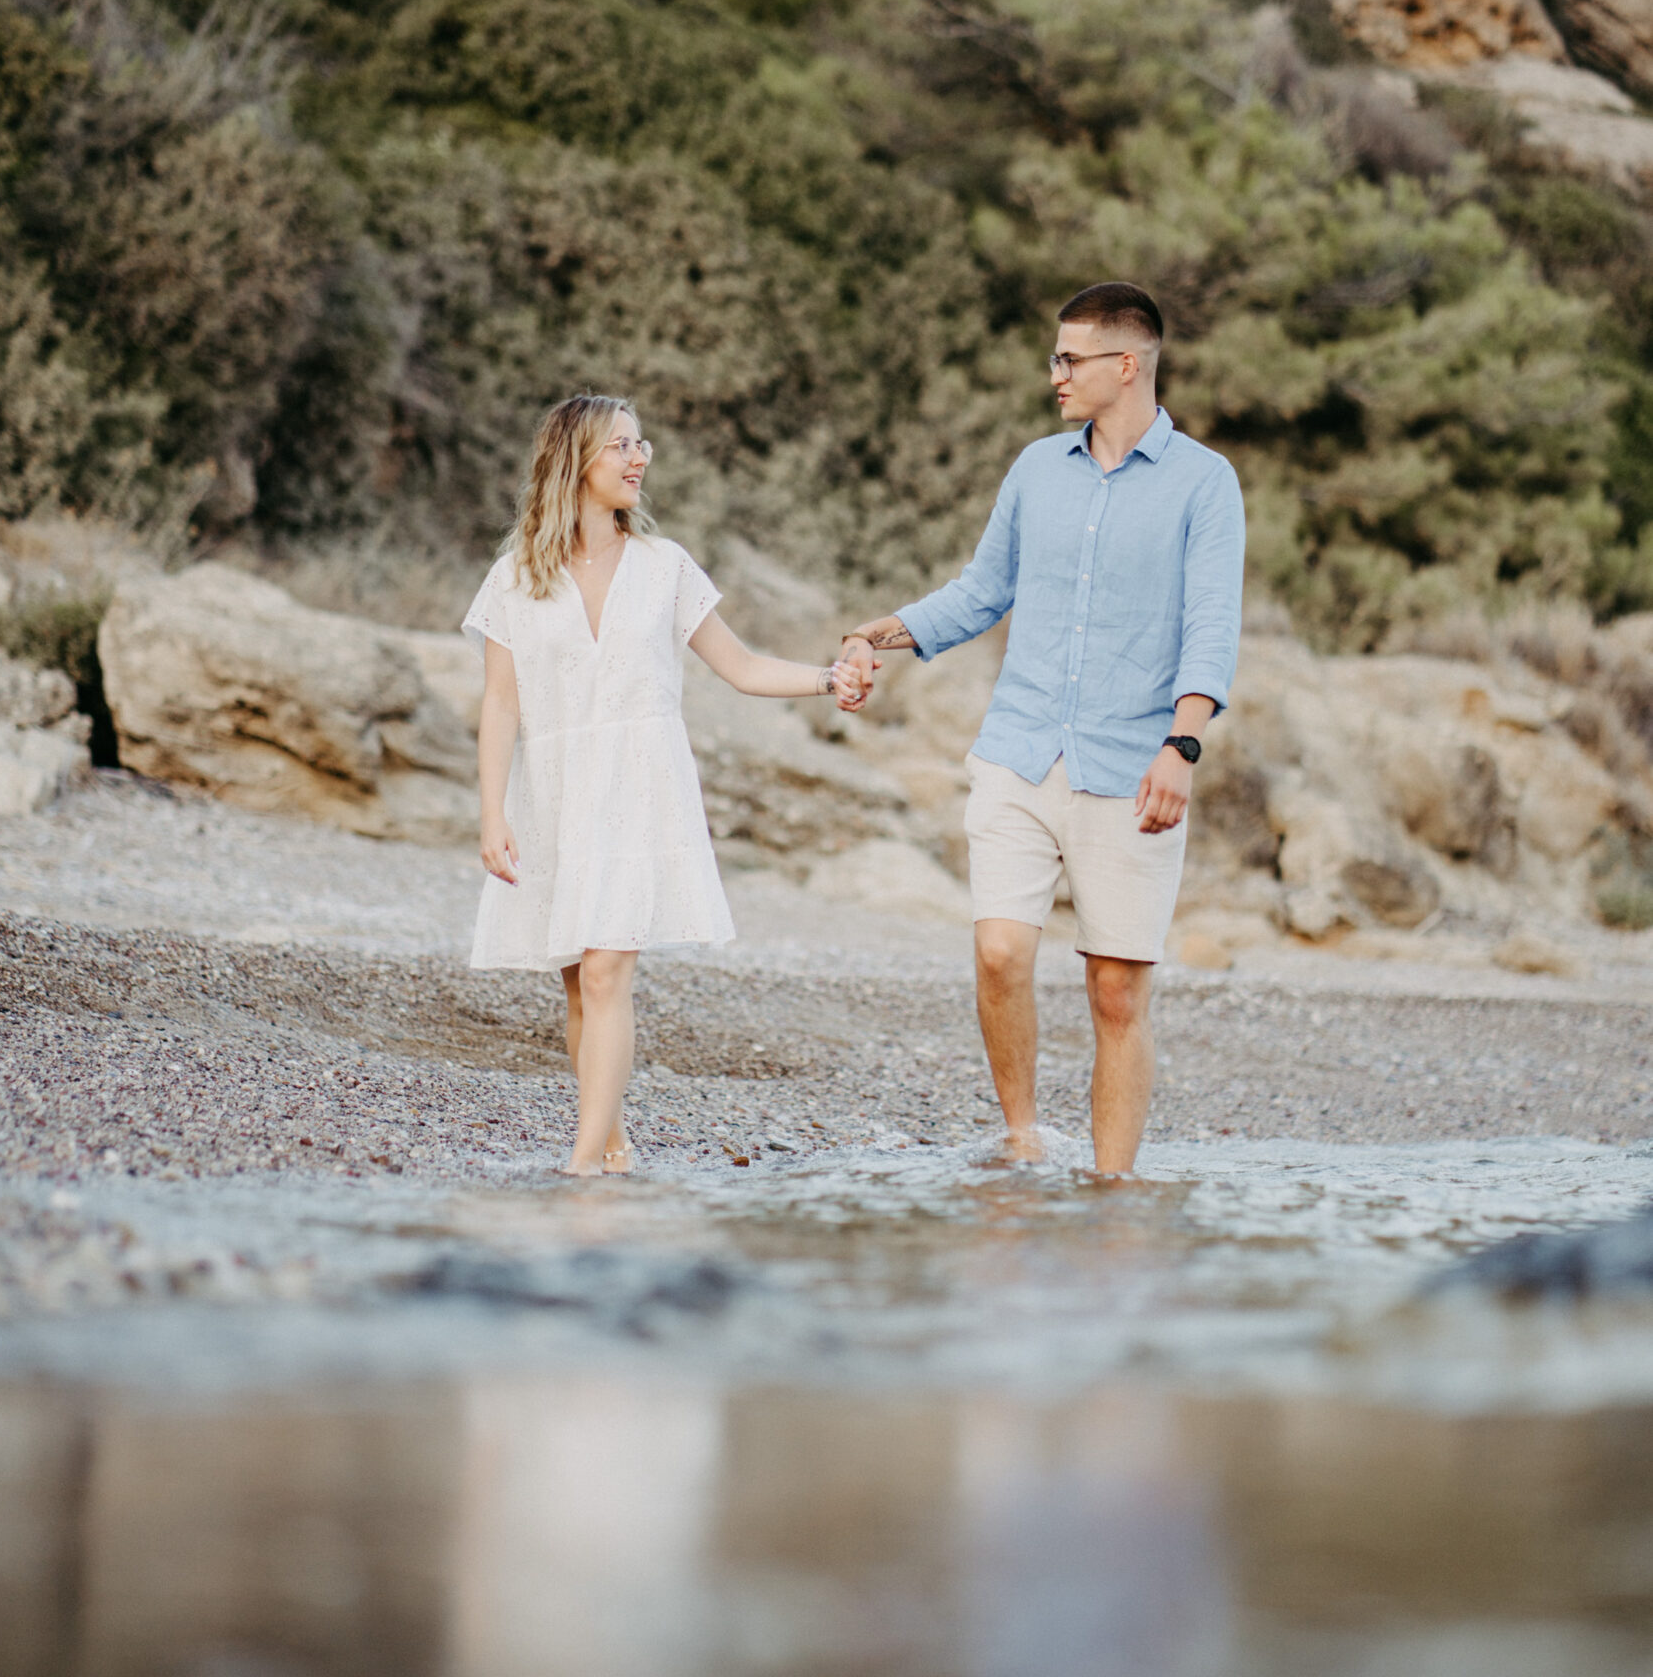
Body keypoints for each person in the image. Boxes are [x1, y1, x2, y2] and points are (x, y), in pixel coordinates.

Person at [837, 282, 1244, 1176]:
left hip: (1133, 764)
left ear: (1125, 364)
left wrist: (1182, 747)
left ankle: (1110, 1188)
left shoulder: (1204, 484)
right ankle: (1021, 1140)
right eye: (1055, 357)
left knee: (1115, 991)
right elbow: (981, 592)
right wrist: (877, 634)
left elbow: (1211, 627)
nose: (1054, 374)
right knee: (997, 950)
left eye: (1070, 358)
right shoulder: (1034, 469)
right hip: (1020, 751)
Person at [465, 392, 857, 1177]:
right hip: (554, 794)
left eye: (641, 444)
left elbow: (741, 666)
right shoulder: (514, 578)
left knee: (609, 973)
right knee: (578, 987)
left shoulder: (664, 565)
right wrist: (490, 812)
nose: (639, 458)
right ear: (573, 460)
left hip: (639, 788)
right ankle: (612, 1149)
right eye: (620, 446)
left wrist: (828, 677)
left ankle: (579, 1164)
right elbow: (501, 702)